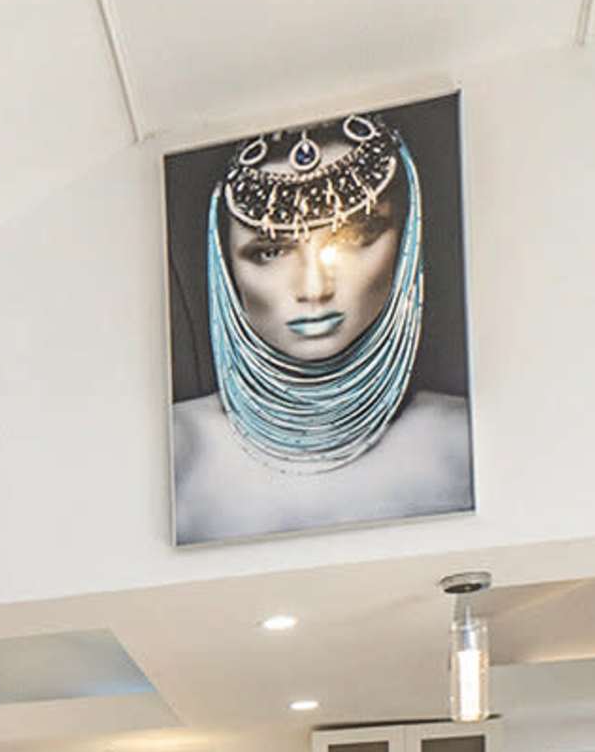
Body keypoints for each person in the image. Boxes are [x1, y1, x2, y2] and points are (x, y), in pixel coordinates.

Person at [170, 111, 472, 545]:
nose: (314, 288)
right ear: (226, 262)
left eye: (352, 239)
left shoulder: (466, 444)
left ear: (406, 235)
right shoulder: (175, 454)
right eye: (270, 251)